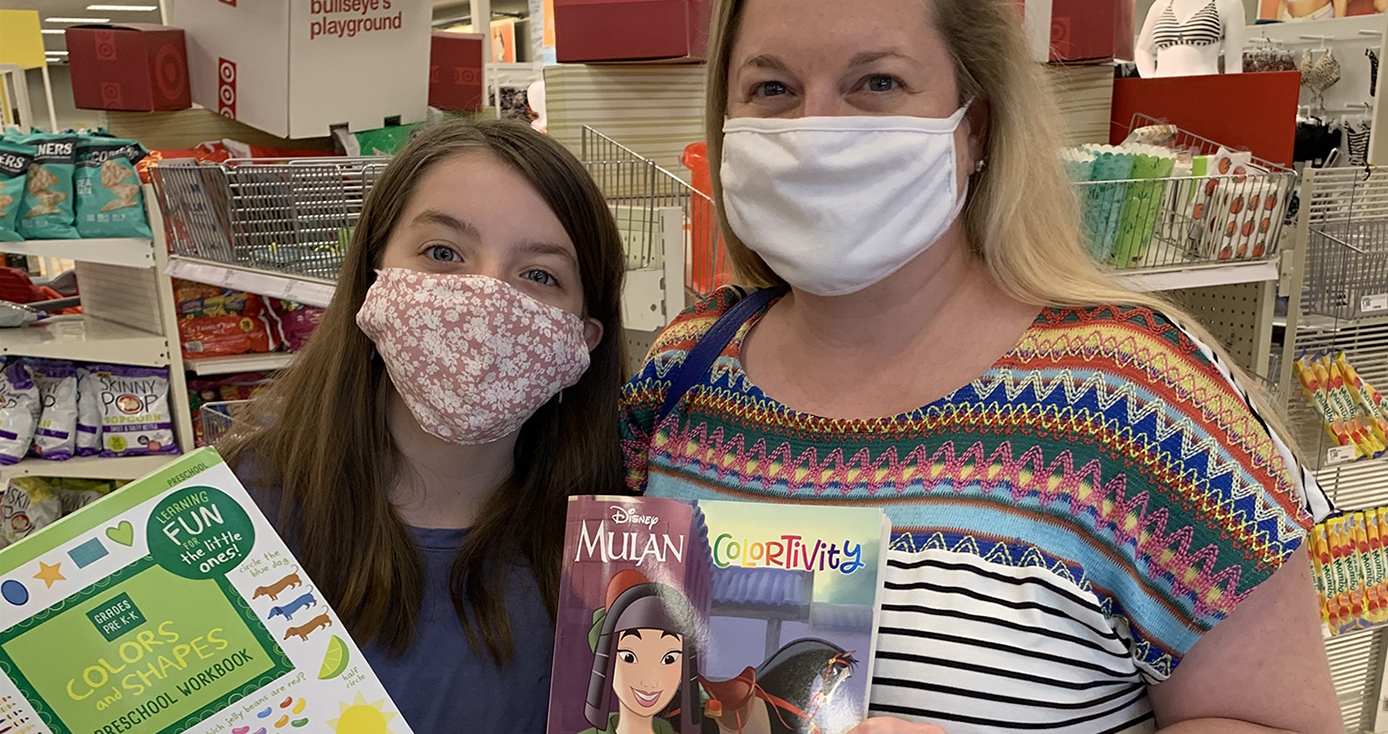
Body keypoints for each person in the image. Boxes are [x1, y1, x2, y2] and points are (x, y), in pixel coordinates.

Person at [619, 1, 1341, 732]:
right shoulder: (682, 372)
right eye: (771, 89)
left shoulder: (1137, 402)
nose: (814, 130)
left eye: (877, 82)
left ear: (976, 127)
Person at [222, 119, 627, 734]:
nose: (484, 300)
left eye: (539, 275)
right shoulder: (235, 517)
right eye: (443, 253)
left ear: (582, 340)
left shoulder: (615, 556)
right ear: (374, 278)